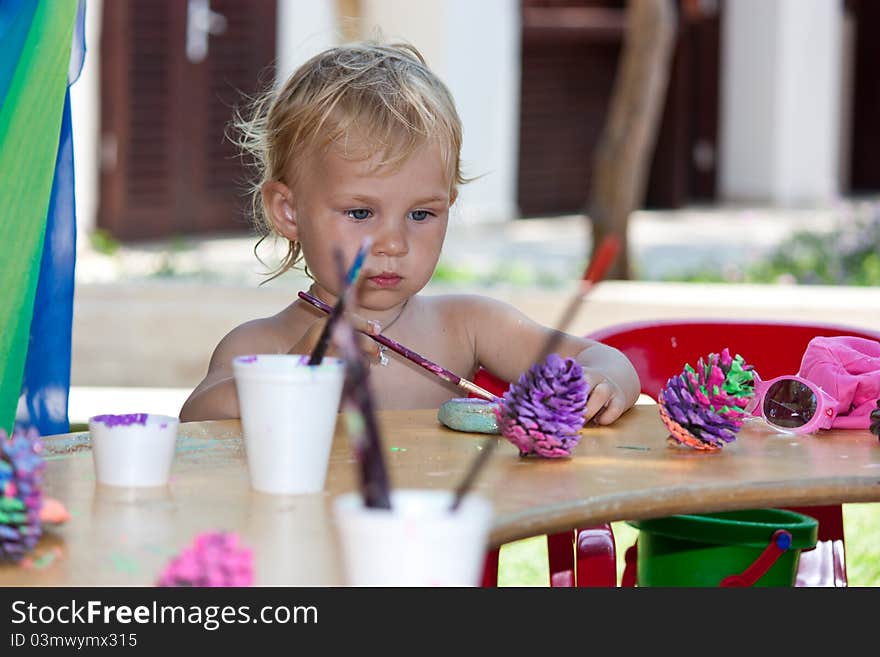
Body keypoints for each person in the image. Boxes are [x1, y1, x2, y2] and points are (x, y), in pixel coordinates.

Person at [179, 41, 640, 423]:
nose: (394, 244)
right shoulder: (261, 344)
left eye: (421, 215)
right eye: (360, 213)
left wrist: (604, 383)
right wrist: (298, 371)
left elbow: (603, 360)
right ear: (289, 211)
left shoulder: (468, 325)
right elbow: (196, 419)